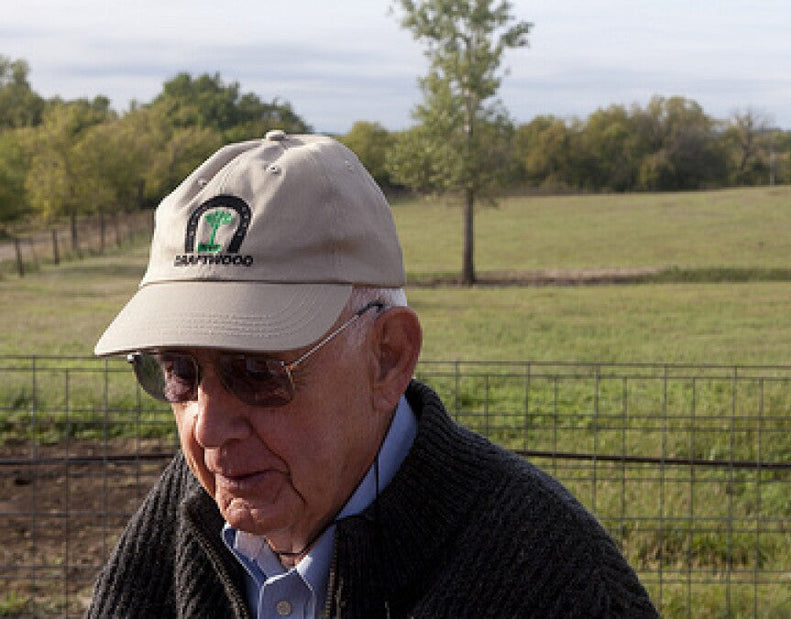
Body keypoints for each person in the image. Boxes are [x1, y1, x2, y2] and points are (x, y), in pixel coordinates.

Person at [88, 130, 658, 618]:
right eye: (178, 372)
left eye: (257, 370)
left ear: (388, 357)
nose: (207, 428)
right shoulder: (190, 503)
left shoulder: (552, 575)